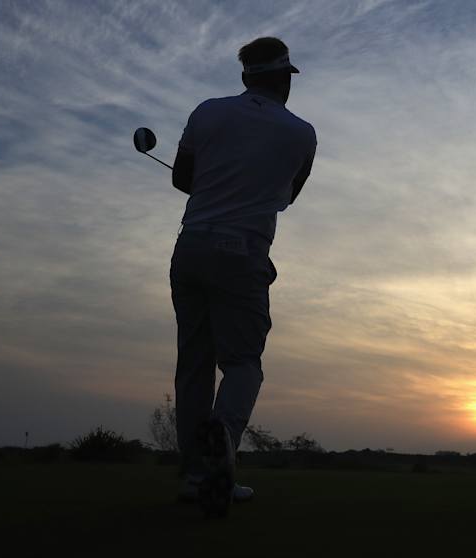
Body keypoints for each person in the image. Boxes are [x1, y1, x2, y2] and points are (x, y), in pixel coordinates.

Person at [168, 36, 317, 517]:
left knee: (194, 363)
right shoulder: (301, 134)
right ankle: (222, 448)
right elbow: (289, 195)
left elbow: (181, 179)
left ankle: (196, 474)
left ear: (245, 75)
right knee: (243, 364)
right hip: (243, 250)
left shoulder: (207, 111)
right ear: (282, 78)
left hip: (190, 246)